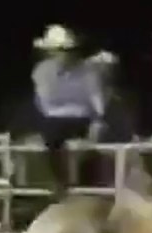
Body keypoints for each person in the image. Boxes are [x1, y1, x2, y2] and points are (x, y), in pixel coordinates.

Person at [31, 24, 106, 194]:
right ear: (50, 52)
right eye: (58, 50)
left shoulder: (88, 72)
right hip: (54, 121)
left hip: (82, 120)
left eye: (66, 50)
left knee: (96, 138)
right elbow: (45, 104)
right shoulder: (42, 71)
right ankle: (60, 184)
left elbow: (96, 102)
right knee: (51, 135)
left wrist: (96, 120)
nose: (63, 54)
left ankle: (89, 185)